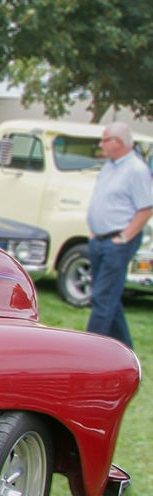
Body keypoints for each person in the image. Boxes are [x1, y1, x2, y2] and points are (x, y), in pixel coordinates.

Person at [84, 122, 153, 347]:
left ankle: (88, 352)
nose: (100, 144)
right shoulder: (109, 167)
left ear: (118, 143)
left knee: (103, 299)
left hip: (118, 241)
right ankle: (126, 351)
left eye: (105, 140)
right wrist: (95, 232)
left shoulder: (136, 170)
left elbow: (146, 207)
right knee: (107, 298)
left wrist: (123, 237)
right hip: (100, 239)